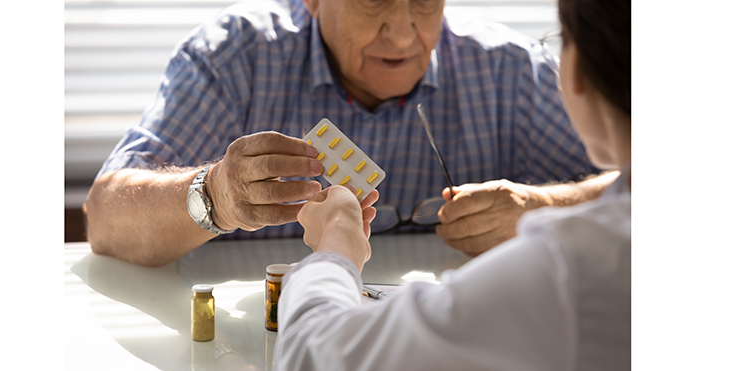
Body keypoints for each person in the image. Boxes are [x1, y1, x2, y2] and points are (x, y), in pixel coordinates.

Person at [83, 0, 616, 267]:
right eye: (374, 0)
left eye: (425, 1)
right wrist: (215, 196)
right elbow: (106, 218)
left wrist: (544, 204)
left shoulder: (506, 72)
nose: (404, 32)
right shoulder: (234, 60)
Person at [274, 0, 630, 371]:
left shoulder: (561, 271)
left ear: (574, 73)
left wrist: (336, 243)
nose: (401, 34)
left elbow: (313, 360)